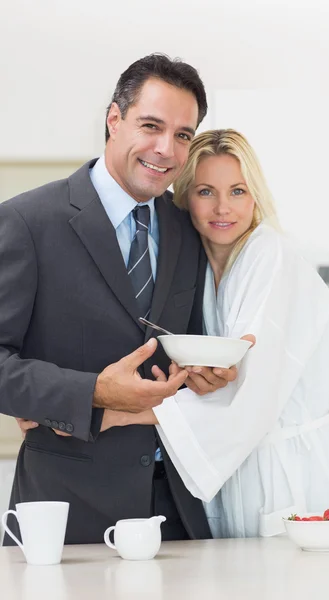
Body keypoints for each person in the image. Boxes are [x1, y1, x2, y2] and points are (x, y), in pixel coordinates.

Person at [0, 55, 242, 545]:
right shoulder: (27, 222)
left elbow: (185, 343)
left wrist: (208, 372)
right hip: (67, 512)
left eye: (182, 134)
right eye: (150, 125)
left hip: (179, 510)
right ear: (114, 119)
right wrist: (89, 393)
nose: (165, 149)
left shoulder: (186, 226)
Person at [110, 129, 329, 538]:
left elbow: (248, 387)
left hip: (292, 471)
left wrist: (109, 414)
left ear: (256, 196)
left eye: (238, 191)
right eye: (206, 191)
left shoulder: (270, 255)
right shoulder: (203, 270)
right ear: (185, 199)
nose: (223, 208)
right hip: (242, 468)